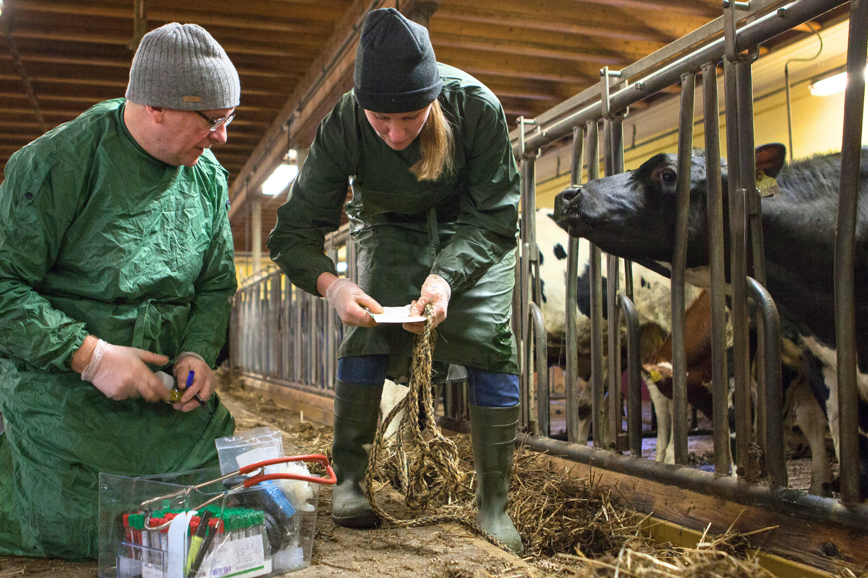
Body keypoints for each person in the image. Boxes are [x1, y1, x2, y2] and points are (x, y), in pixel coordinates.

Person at [268, 8, 523, 553]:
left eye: (409, 117)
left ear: (433, 97)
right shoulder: (344, 123)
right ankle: (352, 481)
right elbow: (294, 232)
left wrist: (447, 278)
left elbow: (497, 214)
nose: (394, 133)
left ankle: (493, 504)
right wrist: (333, 286)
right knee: (370, 326)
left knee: (487, 335)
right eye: (379, 119)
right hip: (387, 223)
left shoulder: (475, 106)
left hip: (471, 227)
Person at [0, 23, 239, 559]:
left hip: (164, 397)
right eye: (212, 120)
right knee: (91, 523)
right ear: (157, 107)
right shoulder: (60, 162)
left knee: (220, 497)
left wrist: (198, 351)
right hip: (65, 392)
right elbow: (3, 285)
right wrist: (91, 356)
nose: (222, 136)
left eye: (229, 119)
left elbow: (216, 283)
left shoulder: (207, 180)